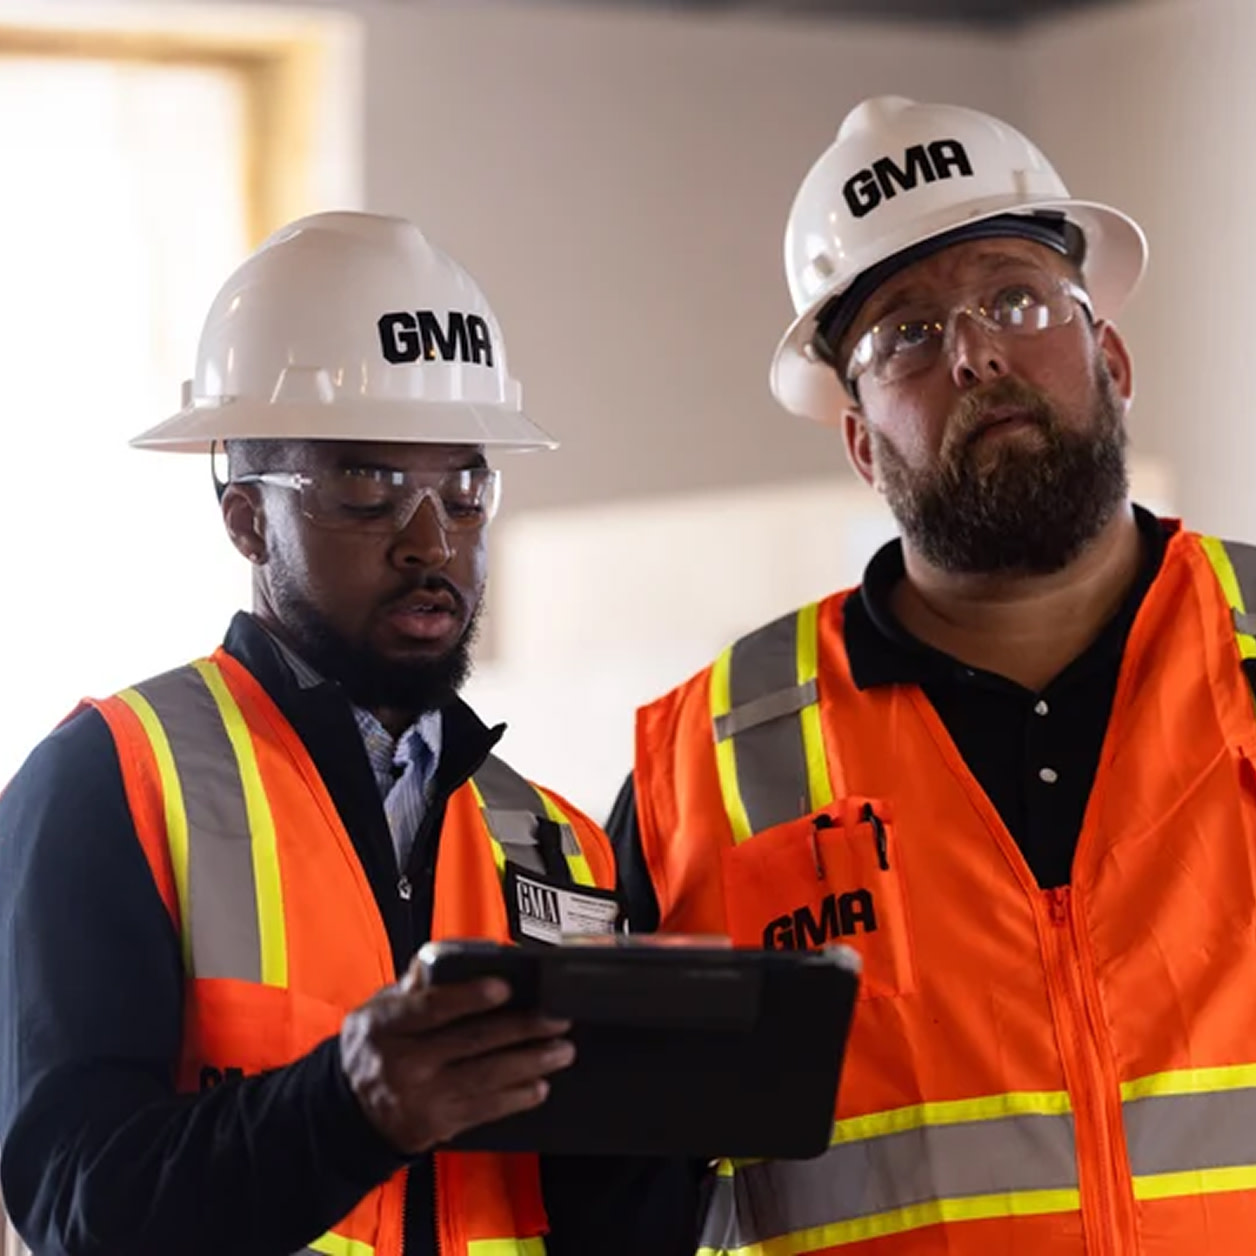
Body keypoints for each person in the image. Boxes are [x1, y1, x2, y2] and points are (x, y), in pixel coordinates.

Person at [607, 95, 1256, 1252]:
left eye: (1014, 297)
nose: (973, 351)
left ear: (1108, 355)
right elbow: (614, 1201)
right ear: (860, 439)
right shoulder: (703, 766)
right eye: (905, 332)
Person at [0, 211, 696, 1256]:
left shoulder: (554, 842)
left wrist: (662, 1133)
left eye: (464, 488)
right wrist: (348, 1108)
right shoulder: (114, 779)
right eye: (366, 484)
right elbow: (74, 1204)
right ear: (243, 517)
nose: (432, 539)